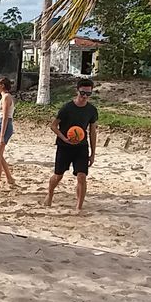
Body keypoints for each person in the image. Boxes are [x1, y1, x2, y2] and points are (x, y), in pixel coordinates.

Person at [43, 79, 98, 211]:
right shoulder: (67, 108)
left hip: (81, 147)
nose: (85, 96)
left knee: (82, 176)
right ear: (77, 91)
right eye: (82, 93)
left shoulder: (92, 110)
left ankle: (79, 207)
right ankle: (50, 194)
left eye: (88, 94)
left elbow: (93, 132)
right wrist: (64, 138)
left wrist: (93, 154)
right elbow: (53, 125)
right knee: (58, 176)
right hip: (64, 146)